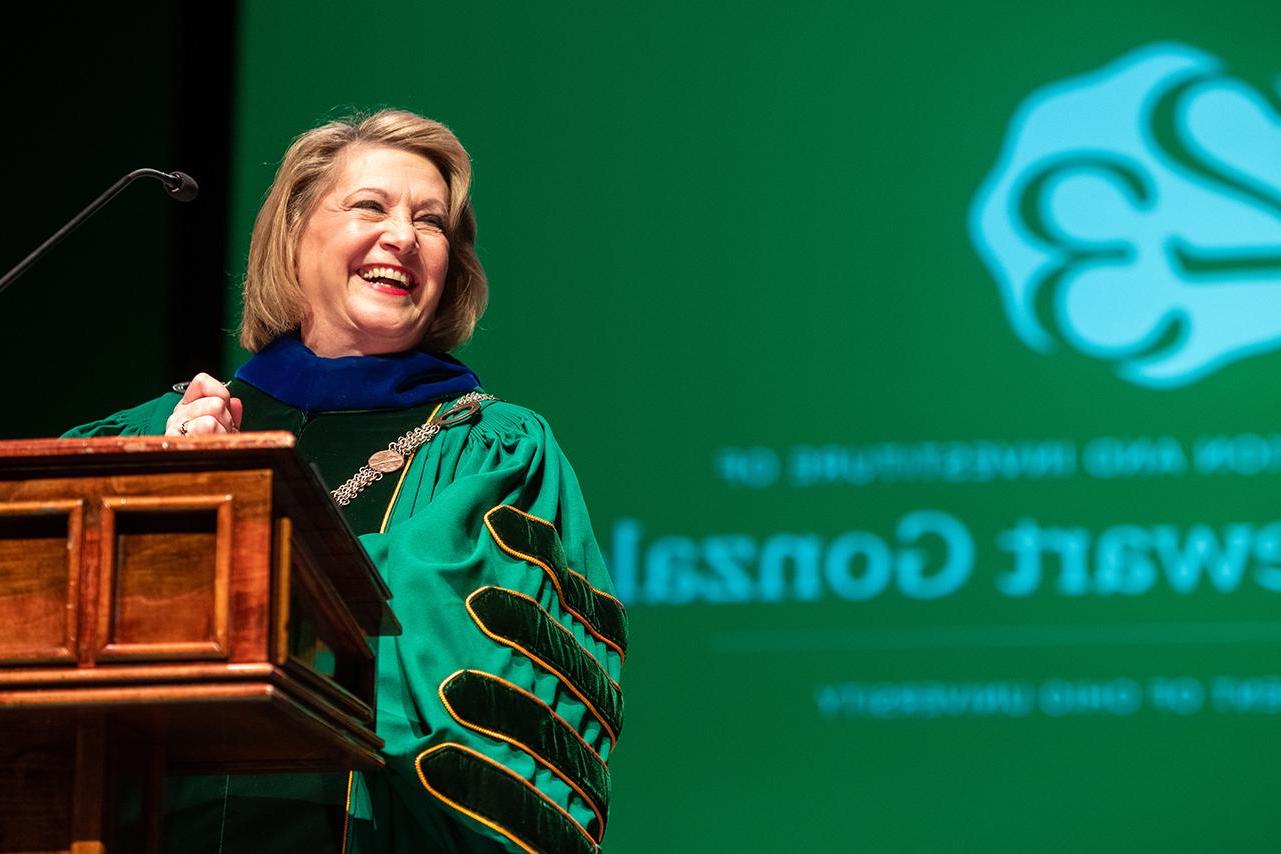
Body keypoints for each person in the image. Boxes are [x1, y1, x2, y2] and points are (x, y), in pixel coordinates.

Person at [64, 109, 626, 854]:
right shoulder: (146, 437)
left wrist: (241, 538)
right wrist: (167, 491)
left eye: (431, 223)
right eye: (370, 205)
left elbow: (466, 661)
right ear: (293, 233)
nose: (403, 236)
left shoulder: (498, 453)